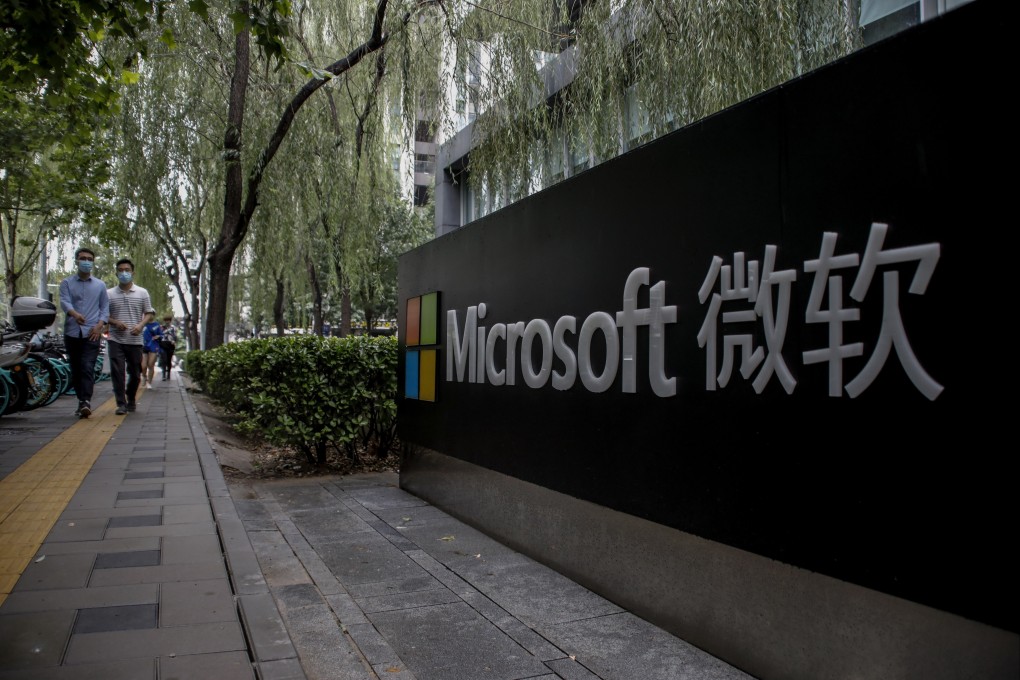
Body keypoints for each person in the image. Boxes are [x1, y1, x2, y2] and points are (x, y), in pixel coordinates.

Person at [58, 247, 109, 418]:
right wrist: (74, 314)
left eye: (89, 259)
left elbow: (105, 308)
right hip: (72, 332)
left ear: (93, 262)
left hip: (92, 333)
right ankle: (81, 400)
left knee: (88, 366)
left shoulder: (100, 285)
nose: (86, 261)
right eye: (83, 258)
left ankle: (86, 400)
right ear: (76, 260)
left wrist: (100, 325)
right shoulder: (66, 283)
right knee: (76, 368)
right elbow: (65, 302)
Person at [106, 258, 154, 415]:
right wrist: (114, 322)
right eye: (120, 270)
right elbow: (103, 315)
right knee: (117, 372)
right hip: (115, 339)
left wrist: (140, 325)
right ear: (116, 273)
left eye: (127, 270)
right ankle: (121, 403)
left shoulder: (142, 293)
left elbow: (149, 312)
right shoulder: (109, 294)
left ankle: (131, 397)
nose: (124, 273)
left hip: (135, 340)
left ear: (133, 272)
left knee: (135, 373)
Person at [141, 316, 163, 389]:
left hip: (154, 346)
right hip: (144, 345)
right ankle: (144, 376)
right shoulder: (143, 324)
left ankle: (149, 382)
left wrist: (158, 336)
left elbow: (161, 334)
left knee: (151, 364)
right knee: (143, 365)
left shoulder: (156, 325)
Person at [158, 314, 178, 380]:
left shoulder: (173, 328)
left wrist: (174, 341)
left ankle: (168, 374)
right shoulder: (161, 327)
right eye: (166, 320)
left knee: (169, 360)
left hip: (170, 345)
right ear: (164, 321)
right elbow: (159, 335)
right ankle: (163, 375)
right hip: (163, 344)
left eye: (168, 320)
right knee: (164, 360)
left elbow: (175, 336)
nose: (167, 321)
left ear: (170, 320)